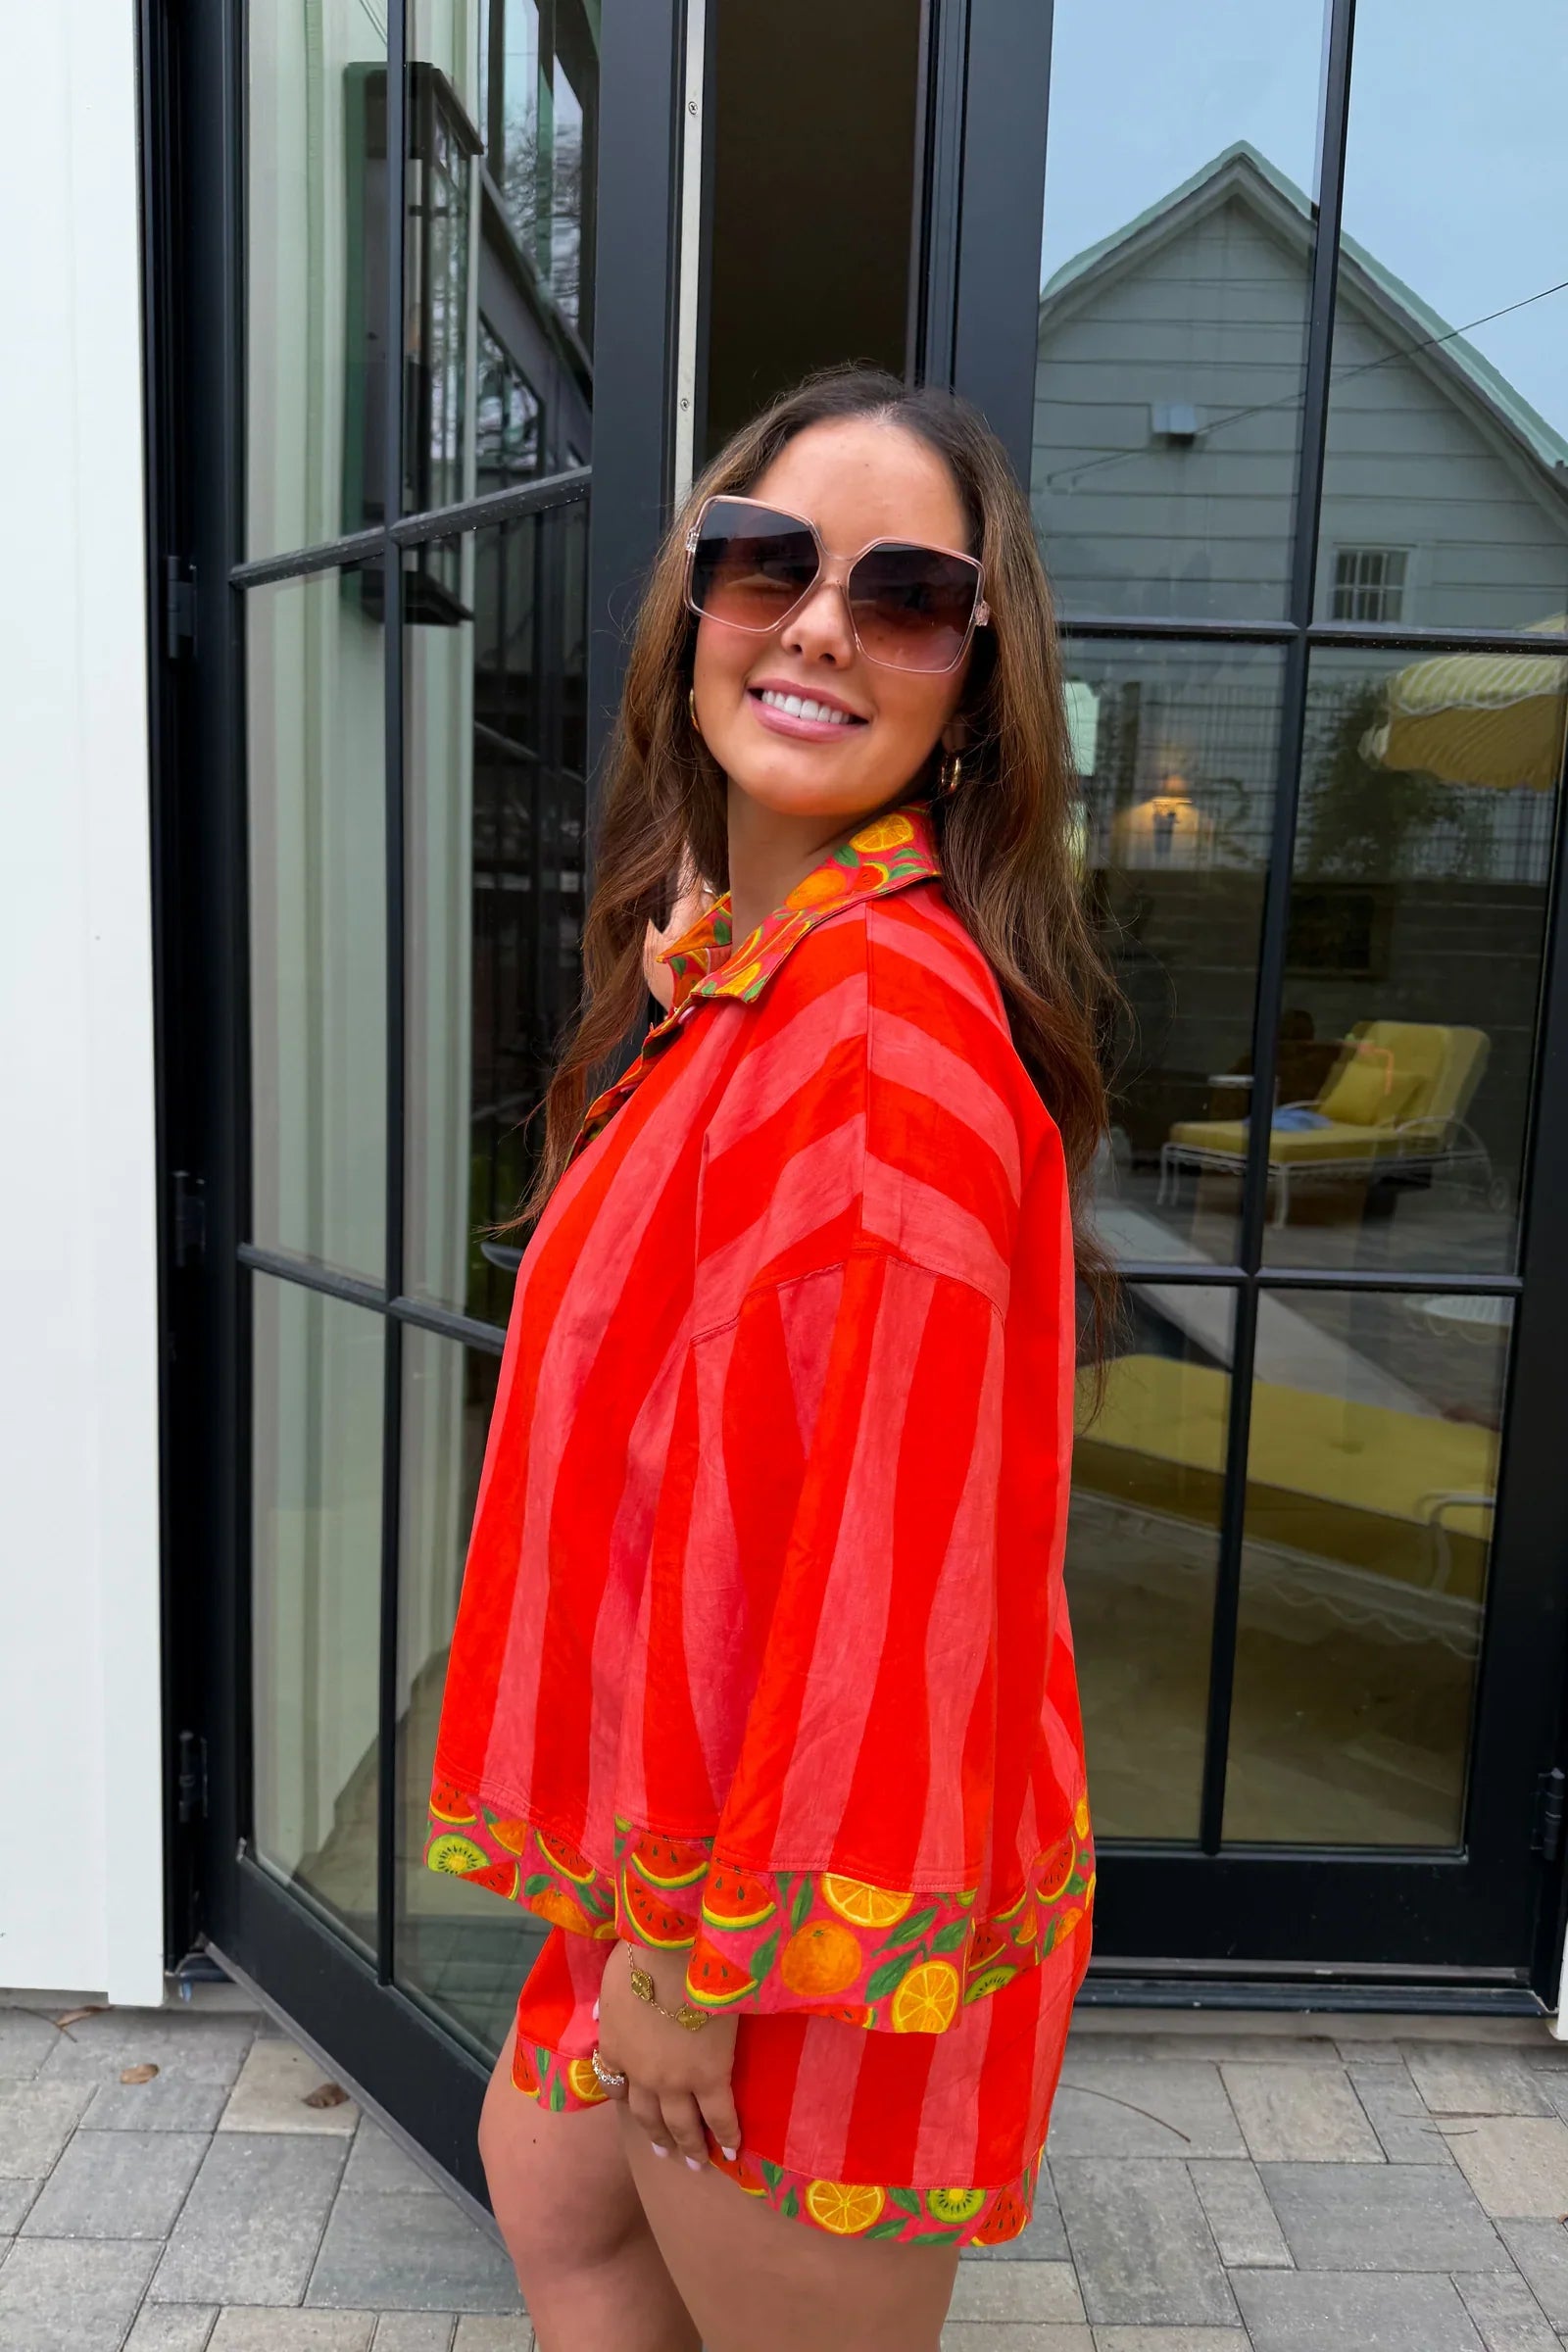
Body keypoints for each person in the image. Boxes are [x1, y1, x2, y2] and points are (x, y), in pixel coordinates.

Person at [422, 365, 1111, 2352]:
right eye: (765, 564)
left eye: (904, 597)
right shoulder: (764, 978)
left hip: (792, 1918)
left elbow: (870, 1590)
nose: (818, 624)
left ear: (971, 690)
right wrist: (700, 996)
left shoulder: (881, 1050)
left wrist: (691, 1969)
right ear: (694, 610)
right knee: (562, 2212)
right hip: (672, 1864)